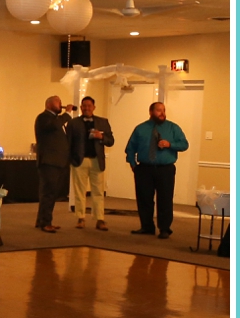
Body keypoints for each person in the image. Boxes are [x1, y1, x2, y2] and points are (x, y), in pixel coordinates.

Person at [124, 101, 189, 239]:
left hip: (165, 169)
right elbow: (130, 147)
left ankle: (165, 228)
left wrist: (170, 144)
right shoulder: (140, 129)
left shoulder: (173, 128)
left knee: (165, 198)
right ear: (151, 112)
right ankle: (147, 226)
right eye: (159, 110)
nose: (162, 113)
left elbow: (184, 144)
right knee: (144, 199)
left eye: (164, 110)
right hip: (144, 169)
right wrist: (133, 163)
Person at [68, 96, 114, 231]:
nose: (87, 108)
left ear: (94, 107)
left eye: (89, 106)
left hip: (97, 161)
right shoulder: (73, 123)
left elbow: (111, 141)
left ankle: (100, 219)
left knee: (98, 191)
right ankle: (80, 217)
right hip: (79, 161)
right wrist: (70, 159)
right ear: (81, 108)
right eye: (84, 106)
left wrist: (101, 137)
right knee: (79, 191)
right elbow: (68, 142)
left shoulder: (103, 122)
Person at [34, 95, 73, 233]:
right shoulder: (44, 117)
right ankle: (46, 222)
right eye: (58, 102)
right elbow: (54, 126)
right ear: (49, 104)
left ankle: (41, 220)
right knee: (48, 193)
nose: (61, 104)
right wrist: (67, 114)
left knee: (50, 193)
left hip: (57, 162)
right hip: (49, 162)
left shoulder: (56, 119)